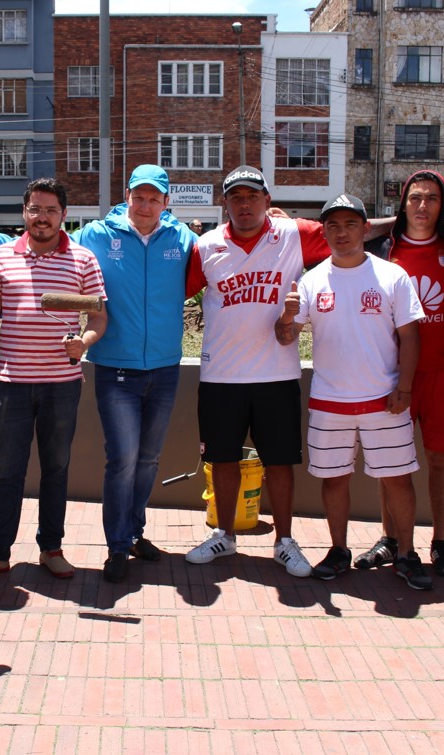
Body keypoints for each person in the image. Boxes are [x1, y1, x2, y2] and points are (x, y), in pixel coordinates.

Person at [0, 178, 107, 580]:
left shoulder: (84, 260)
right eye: (35, 209)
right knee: (8, 472)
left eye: (51, 210)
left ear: (64, 215)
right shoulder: (2, 257)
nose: (42, 217)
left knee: (56, 469)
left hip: (62, 384)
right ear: (25, 212)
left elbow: (98, 317)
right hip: (12, 383)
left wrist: (84, 342)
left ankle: (51, 548)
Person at [182, 165, 330, 576]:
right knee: (222, 460)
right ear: (225, 203)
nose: (244, 204)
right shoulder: (206, 245)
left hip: (276, 374)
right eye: (236, 197)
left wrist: (412, 224)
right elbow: (173, 292)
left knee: (280, 462)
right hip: (221, 376)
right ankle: (224, 535)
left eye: (252, 197)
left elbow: (350, 233)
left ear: (267, 200)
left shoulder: (293, 234)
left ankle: (285, 541)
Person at [277, 194, 430, 589]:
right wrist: (288, 316)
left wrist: (404, 387)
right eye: (332, 225)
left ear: (365, 229)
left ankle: (407, 553)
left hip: (385, 399)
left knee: (397, 479)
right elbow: (285, 337)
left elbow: (410, 336)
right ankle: (338, 550)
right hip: (330, 401)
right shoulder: (311, 280)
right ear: (324, 231)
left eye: (349, 224)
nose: (341, 232)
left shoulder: (392, 276)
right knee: (334, 479)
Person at [73, 165, 196, 583]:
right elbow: (54, 249)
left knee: (148, 459)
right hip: (115, 368)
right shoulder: (95, 235)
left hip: (165, 367)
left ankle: (134, 531)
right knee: (122, 459)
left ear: (166, 202)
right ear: (126, 196)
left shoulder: (182, 239)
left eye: (154, 198)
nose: (145, 205)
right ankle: (116, 545)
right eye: (138, 197)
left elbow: (224, 251)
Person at [357, 171, 444, 577]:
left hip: (442, 374)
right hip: (392, 374)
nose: (423, 206)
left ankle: (440, 542)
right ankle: (390, 539)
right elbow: (338, 231)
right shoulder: (383, 248)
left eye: (432, 198)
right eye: (415, 198)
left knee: (440, 459)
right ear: (402, 204)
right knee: (390, 464)